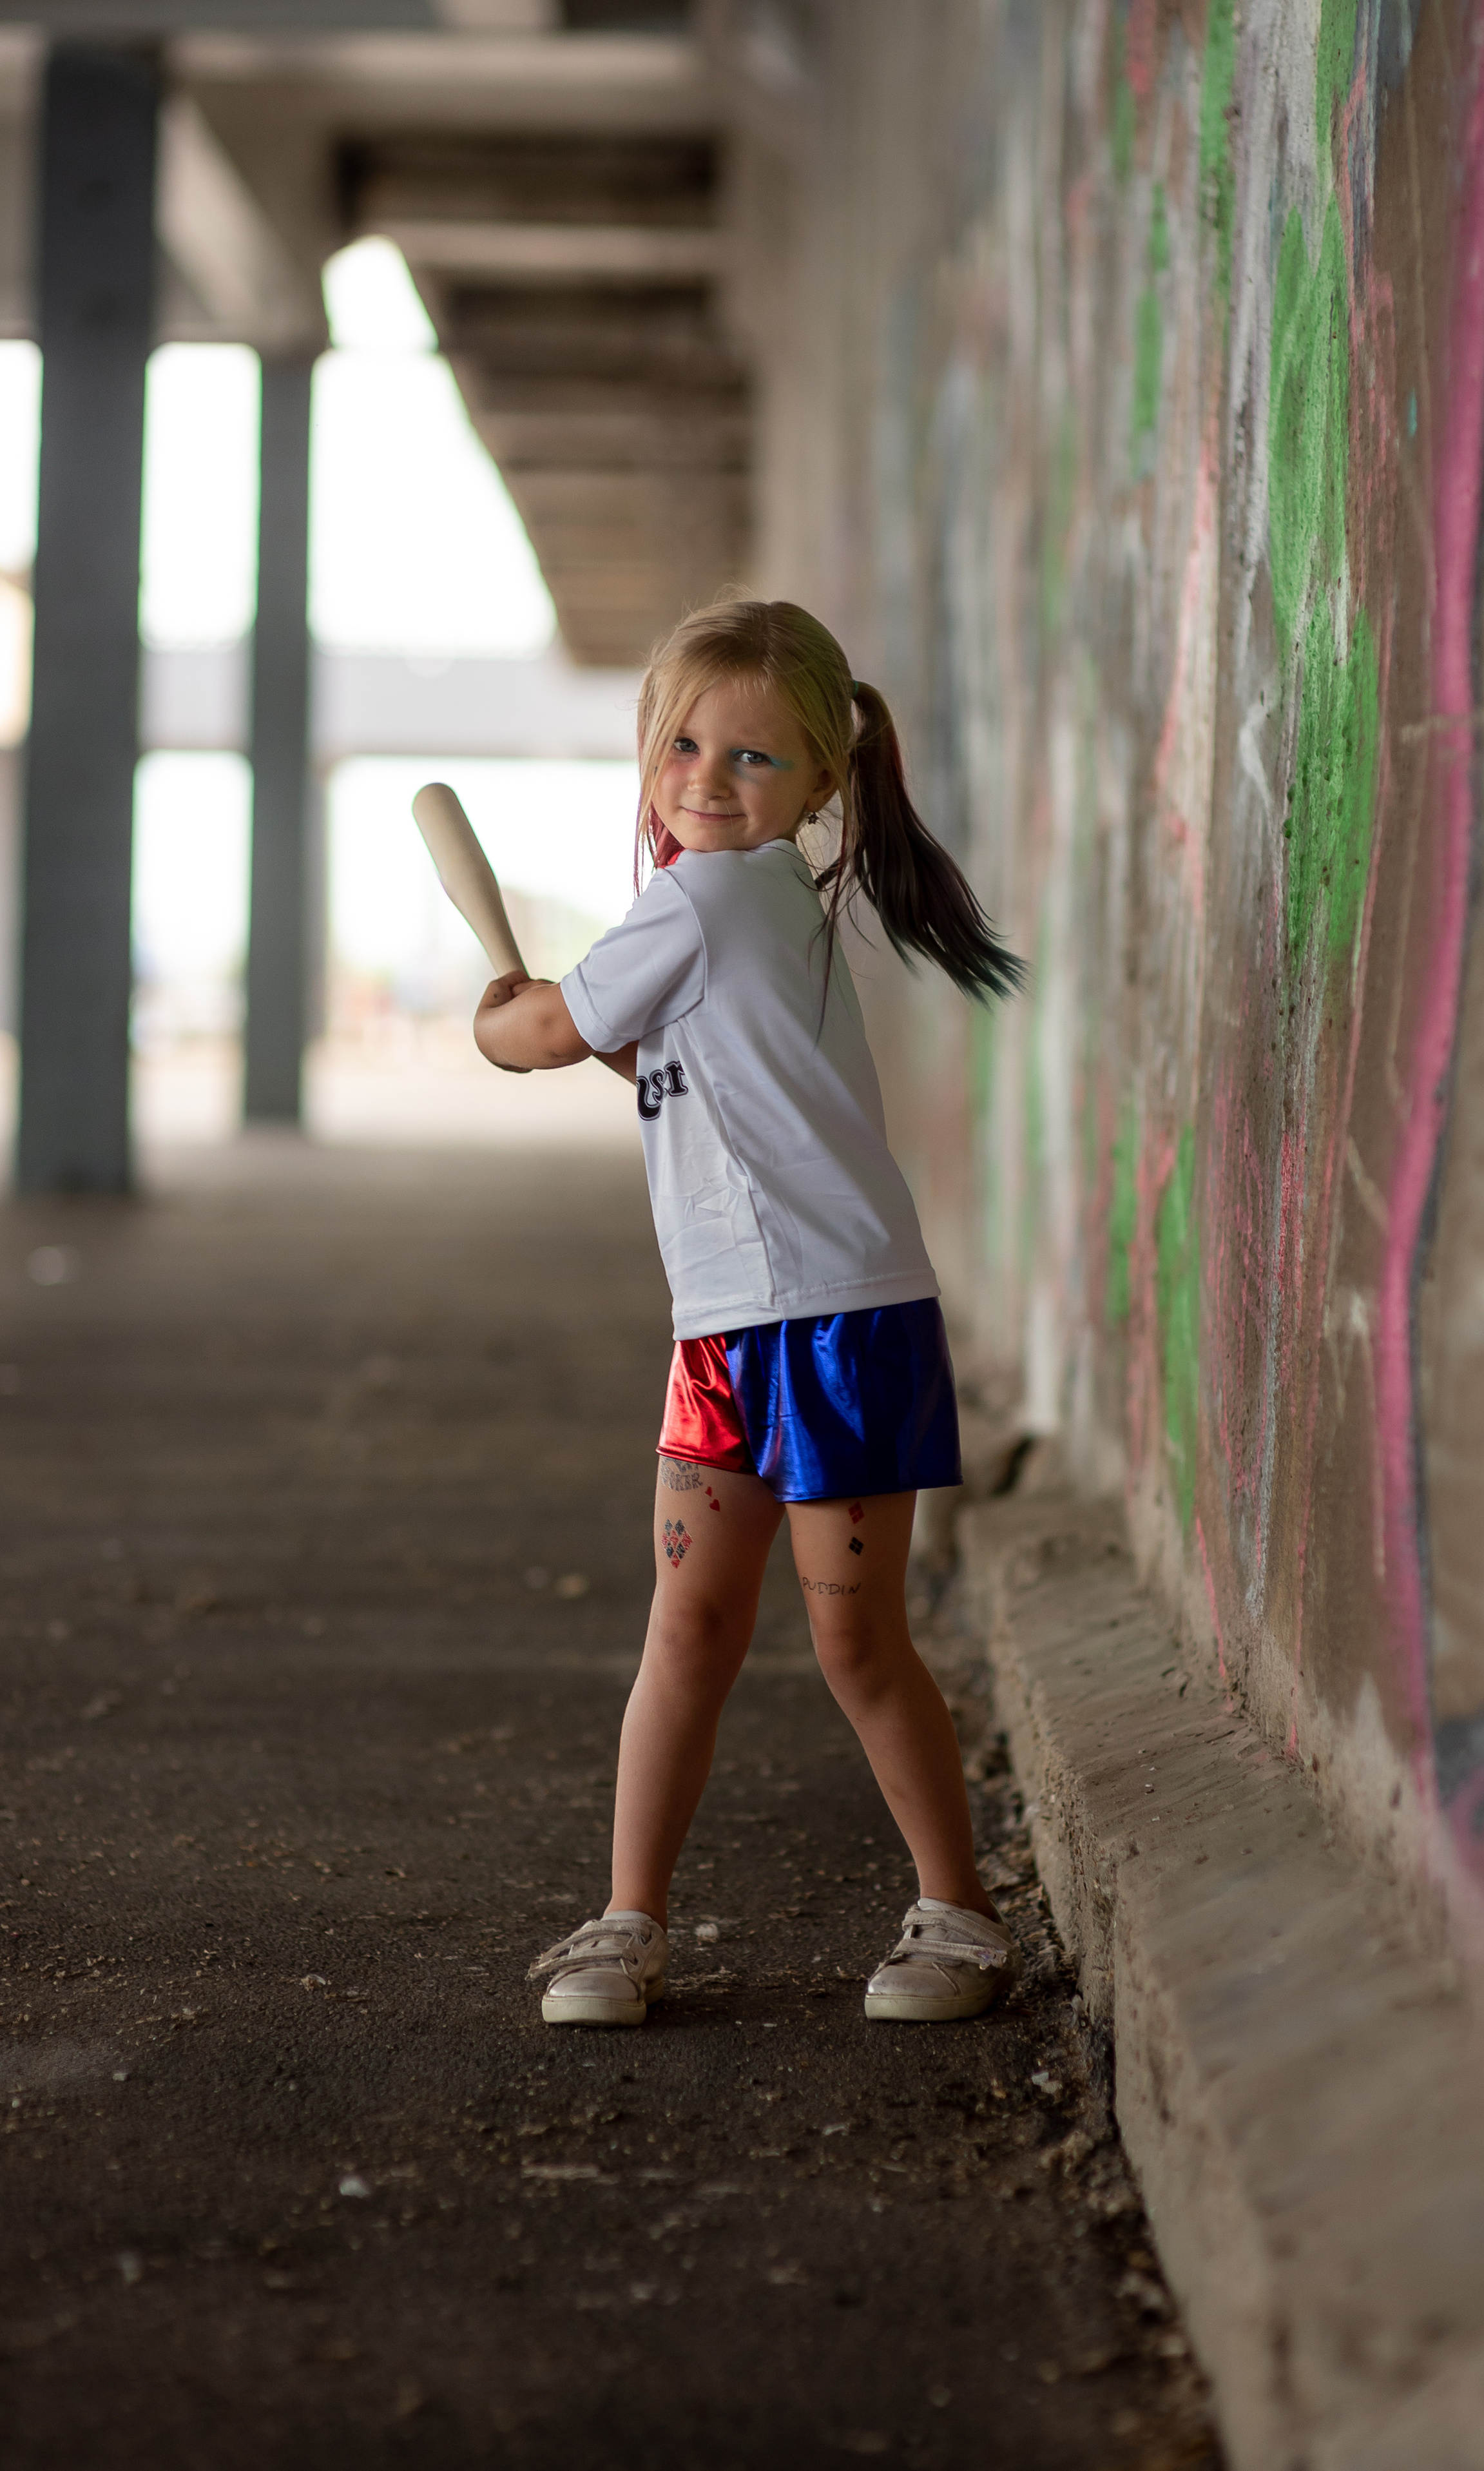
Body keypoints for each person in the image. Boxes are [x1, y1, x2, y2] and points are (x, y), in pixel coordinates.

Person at [473, 596, 1025, 2030]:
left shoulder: (710, 898)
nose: (706, 781)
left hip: (833, 1320)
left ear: (819, 790)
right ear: (649, 752)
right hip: (728, 1323)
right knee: (695, 1633)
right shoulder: (744, 908)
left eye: (753, 761)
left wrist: (497, 1016)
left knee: (844, 1644)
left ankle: (959, 1916)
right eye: (682, 746)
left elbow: (543, 1037)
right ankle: (626, 1919)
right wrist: (570, 1024)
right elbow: (671, 1068)